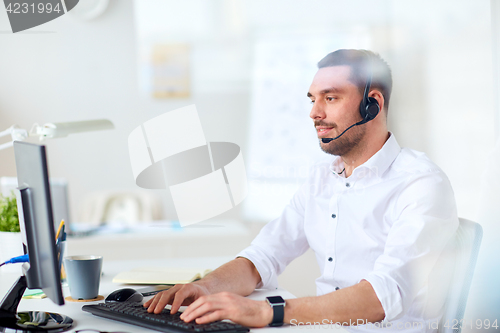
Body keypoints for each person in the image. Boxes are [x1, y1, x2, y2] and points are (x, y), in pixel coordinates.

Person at [144, 49, 459, 331]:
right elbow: (265, 254)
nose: (314, 113)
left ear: (372, 105)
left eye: (330, 98)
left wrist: (268, 311)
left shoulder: (420, 184)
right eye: (313, 99)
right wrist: (206, 287)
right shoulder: (322, 179)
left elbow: (382, 297)